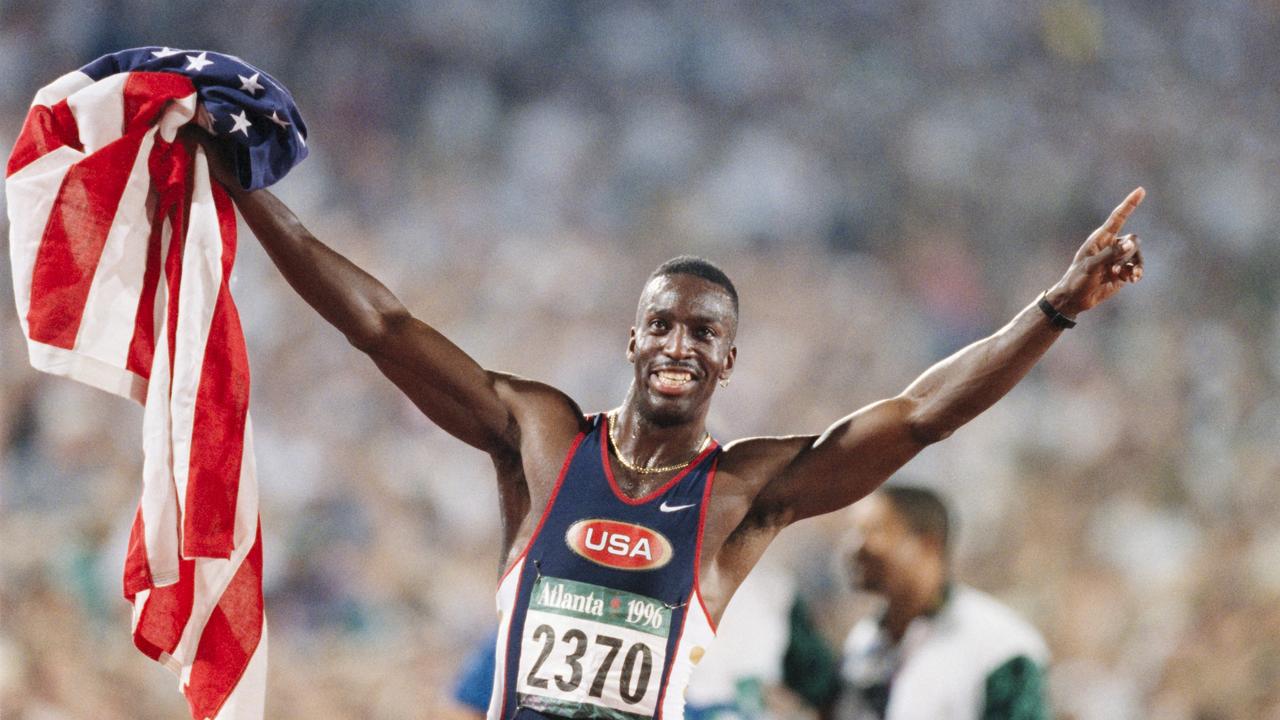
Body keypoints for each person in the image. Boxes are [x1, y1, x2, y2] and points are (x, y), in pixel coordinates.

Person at [194, 130, 1144, 720]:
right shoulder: (543, 434)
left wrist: (1054, 309)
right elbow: (382, 326)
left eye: (705, 331)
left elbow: (923, 417)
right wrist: (245, 188)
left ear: (731, 358)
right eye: (662, 324)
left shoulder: (745, 493)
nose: (680, 343)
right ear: (632, 340)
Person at [828, 486, 1049, 720]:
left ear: (927, 544)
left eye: (872, 531)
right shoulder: (864, 640)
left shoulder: (1001, 647)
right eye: (851, 532)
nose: (853, 546)